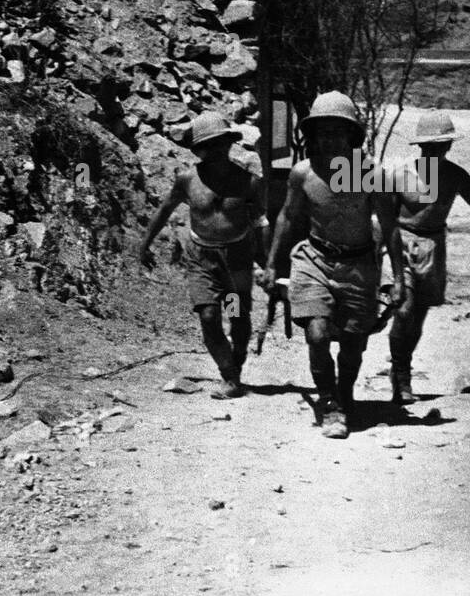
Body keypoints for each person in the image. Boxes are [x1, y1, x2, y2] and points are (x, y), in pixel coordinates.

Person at [260, 92, 404, 439]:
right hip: (315, 258)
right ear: (313, 136)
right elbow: (287, 216)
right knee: (318, 333)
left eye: (338, 131)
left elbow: (389, 226)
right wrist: (269, 264)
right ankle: (328, 403)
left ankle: (346, 392)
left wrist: (398, 277)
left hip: (358, 264)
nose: (330, 139)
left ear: (352, 135)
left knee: (353, 345)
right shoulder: (302, 174)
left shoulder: (371, 173)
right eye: (322, 132)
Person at [388, 111, 470, 405]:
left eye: (439, 146)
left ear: (449, 146)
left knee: (418, 316)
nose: (433, 151)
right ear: (419, 146)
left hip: (434, 245)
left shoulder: (456, 176)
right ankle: (401, 373)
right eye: (428, 146)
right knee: (403, 310)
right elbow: (386, 218)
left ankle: (401, 370)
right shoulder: (400, 173)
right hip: (402, 242)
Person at [140, 111, 268, 400]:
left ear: (229, 143)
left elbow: (261, 223)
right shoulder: (187, 179)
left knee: (237, 316)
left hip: (235, 261)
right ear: (199, 149)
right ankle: (229, 376)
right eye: (209, 145)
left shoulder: (248, 181)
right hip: (201, 260)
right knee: (209, 316)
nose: (216, 150)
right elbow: (164, 210)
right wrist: (144, 244)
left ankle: (238, 354)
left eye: (221, 142)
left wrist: (266, 262)